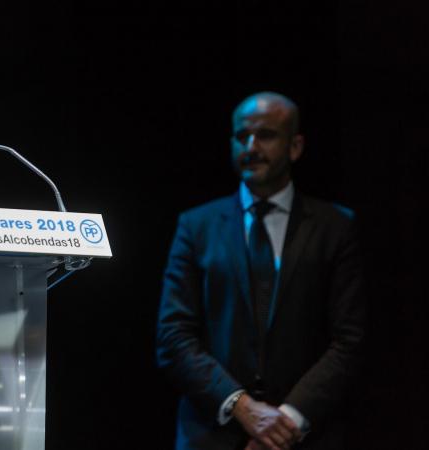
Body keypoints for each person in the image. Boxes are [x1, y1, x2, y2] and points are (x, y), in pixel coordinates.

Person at [156, 92, 365, 450]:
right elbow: (173, 336)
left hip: (304, 435)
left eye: (265, 135)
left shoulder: (336, 227)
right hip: (213, 434)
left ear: (295, 146)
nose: (251, 146)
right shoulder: (196, 226)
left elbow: (350, 340)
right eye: (241, 137)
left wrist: (287, 420)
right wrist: (242, 407)